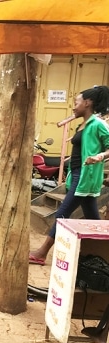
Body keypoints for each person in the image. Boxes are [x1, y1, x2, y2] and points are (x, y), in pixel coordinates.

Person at [29, 86, 109, 265]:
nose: (73, 107)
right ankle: (103, 254)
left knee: (63, 213)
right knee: (93, 218)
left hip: (85, 176)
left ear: (87, 103)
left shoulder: (97, 124)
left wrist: (100, 156)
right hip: (78, 174)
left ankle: (42, 253)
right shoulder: (85, 123)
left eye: (77, 102)